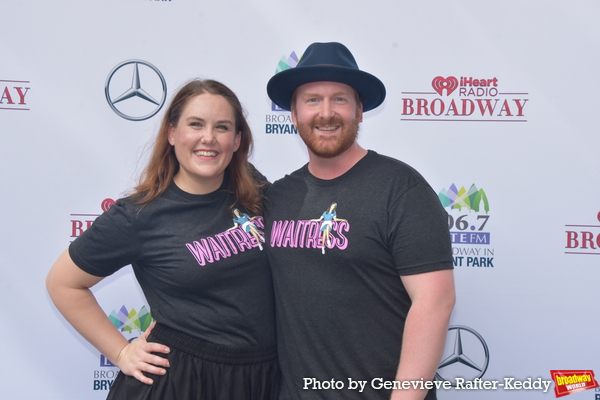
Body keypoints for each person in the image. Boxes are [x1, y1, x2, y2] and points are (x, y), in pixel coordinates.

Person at [46, 79, 279, 400]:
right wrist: (121, 353)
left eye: (222, 127)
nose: (208, 138)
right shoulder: (139, 215)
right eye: (195, 124)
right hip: (184, 383)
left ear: (237, 140)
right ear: (172, 133)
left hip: (263, 377)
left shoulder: (254, 189)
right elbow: (63, 284)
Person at [265, 42, 456, 400]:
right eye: (311, 100)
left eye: (339, 99)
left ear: (359, 112)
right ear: (292, 114)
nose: (326, 113)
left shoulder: (400, 189)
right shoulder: (277, 197)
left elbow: (435, 301)